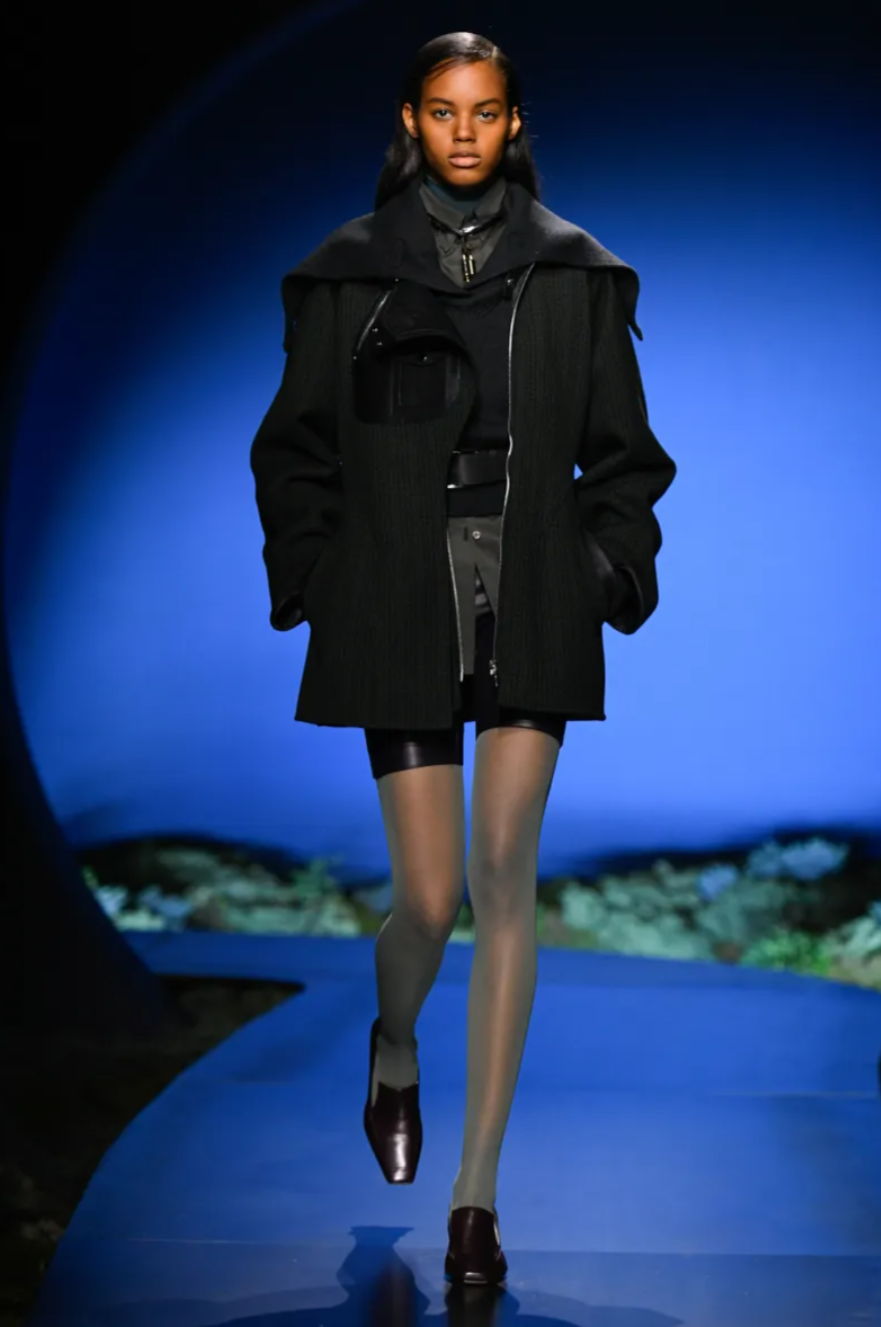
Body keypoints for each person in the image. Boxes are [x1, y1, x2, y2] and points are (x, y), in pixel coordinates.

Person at [250, 31, 676, 1286]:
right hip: (397, 590)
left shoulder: (573, 273)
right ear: (409, 121)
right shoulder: (349, 275)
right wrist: (324, 577)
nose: (465, 133)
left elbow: (627, 455)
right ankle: (394, 1041)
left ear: (513, 122)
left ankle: (475, 1198)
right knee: (428, 897)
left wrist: (601, 569)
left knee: (503, 876)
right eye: (443, 112)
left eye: (485, 111)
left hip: (531, 584)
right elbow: (293, 449)